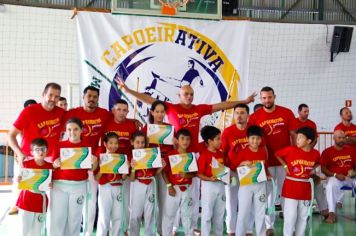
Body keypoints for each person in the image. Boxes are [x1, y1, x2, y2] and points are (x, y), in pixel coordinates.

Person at [117, 79, 255, 231]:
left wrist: (243, 101)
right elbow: (149, 99)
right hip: (170, 157)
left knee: (191, 194)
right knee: (171, 194)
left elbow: (220, 105)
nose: (189, 96)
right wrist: (127, 90)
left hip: (192, 156)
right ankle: (171, 228)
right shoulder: (170, 108)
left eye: (191, 94)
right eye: (186, 94)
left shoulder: (199, 109)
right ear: (179, 95)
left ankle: (192, 226)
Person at [63, 85, 111, 235]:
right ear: (83, 97)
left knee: (91, 204)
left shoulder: (104, 114)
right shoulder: (73, 113)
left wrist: (96, 157)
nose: (91, 99)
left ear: (98, 99)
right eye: (89, 96)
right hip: (72, 165)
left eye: (95, 97)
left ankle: (88, 232)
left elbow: (117, 120)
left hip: (92, 164)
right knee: (72, 203)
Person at [248, 86, 295, 233]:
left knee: (286, 195)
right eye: (264, 98)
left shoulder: (287, 113)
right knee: (265, 196)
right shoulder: (255, 118)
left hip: (284, 164)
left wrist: (293, 159)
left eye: (269, 97)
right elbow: (251, 141)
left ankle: (290, 227)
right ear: (261, 99)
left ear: (275, 96)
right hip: (265, 164)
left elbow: (293, 136)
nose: (267, 100)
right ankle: (269, 226)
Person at [49, 118, 98, 236]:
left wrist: (95, 162)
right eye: (69, 130)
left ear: (81, 130)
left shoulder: (86, 147)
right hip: (59, 187)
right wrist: (55, 164)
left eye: (75, 129)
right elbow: (51, 166)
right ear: (66, 131)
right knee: (58, 219)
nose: (72, 132)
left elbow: (91, 169)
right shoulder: (59, 145)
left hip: (79, 187)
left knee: (74, 220)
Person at [276, 127, 320, 236]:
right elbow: (277, 154)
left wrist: (312, 170)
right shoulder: (291, 150)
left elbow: (318, 162)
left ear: (309, 141)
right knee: (290, 217)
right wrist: (285, 166)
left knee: (303, 217)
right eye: (297, 137)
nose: (297, 140)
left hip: (305, 190)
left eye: (300, 137)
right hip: (291, 188)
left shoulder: (315, 153)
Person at [8, 82, 65, 166]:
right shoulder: (29, 111)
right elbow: (10, 135)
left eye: (56, 97)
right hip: (28, 158)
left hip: (51, 160)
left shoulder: (61, 113)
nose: (53, 99)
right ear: (43, 94)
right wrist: (19, 153)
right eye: (50, 95)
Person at [230, 126, 270, 236]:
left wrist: (268, 175)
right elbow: (234, 168)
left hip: (260, 185)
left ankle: (261, 234)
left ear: (261, 140)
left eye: (257, 138)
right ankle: (239, 233)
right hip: (245, 186)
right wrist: (242, 164)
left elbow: (265, 168)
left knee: (260, 213)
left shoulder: (263, 152)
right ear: (247, 139)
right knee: (243, 213)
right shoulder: (242, 153)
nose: (255, 141)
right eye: (252, 138)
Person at [142, 100, 174, 234]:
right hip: (149, 170)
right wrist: (147, 143)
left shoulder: (169, 129)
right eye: (157, 112)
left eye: (162, 112)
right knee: (150, 204)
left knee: (164, 202)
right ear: (152, 112)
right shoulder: (146, 129)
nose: (160, 114)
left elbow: (173, 149)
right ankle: (150, 230)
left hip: (165, 169)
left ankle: (162, 231)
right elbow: (139, 149)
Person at [221, 103, 251, 235]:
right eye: (237, 113)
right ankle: (231, 230)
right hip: (232, 172)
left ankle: (248, 229)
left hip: (249, 172)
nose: (239, 116)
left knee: (248, 202)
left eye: (242, 113)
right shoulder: (228, 132)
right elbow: (222, 153)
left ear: (248, 116)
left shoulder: (253, 130)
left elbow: (262, 150)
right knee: (231, 201)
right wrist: (226, 172)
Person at [129, 131, 164, 236]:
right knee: (135, 214)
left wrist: (161, 167)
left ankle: (150, 234)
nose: (140, 145)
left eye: (142, 142)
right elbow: (131, 178)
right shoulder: (130, 157)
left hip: (150, 184)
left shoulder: (151, 155)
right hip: (137, 184)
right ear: (132, 143)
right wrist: (133, 169)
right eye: (137, 142)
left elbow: (155, 173)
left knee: (150, 213)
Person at [162, 129, 196, 236]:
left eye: (187, 139)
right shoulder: (170, 155)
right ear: (176, 140)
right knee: (169, 215)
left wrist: (187, 175)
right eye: (182, 138)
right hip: (173, 188)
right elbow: (164, 172)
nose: (185, 141)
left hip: (187, 188)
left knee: (187, 216)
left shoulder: (191, 156)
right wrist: (169, 186)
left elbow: (195, 174)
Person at [16, 138, 53, 236]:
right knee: (23, 230)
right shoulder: (26, 165)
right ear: (32, 152)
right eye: (37, 150)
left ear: (47, 151)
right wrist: (18, 180)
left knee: (37, 232)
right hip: (26, 201)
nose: (40, 152)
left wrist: (51, 184)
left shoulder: (50, 167)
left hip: (40, 203)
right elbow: (20, 182)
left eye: (43, 149)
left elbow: (52, 184)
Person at [95, 132, 128, 236]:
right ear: (105, 144)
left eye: (116, 143)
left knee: (118, 216)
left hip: (118, 187)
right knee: (104, 217)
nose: (114, 146)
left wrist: (125, 170)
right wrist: (103, 168)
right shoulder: (100, 158)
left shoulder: (121, 158)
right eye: (111, 143)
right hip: (105, 187)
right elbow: (96, 178)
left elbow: (123, 178)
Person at [9, 99, 38, 216]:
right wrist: (18, 154)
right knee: (18, 180)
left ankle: (32, 204)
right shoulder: (21, 118)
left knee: (34, 181)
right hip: (22, 156)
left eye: (33, 107)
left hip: (36, 156)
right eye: (29, 108)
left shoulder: (39, 120)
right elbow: (14, 138)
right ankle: (15, 205)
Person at [321, 130, 356, 224]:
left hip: (350, 178)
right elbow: (323, 169)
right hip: (335, 178)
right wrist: (335, 174)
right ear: (334, 138)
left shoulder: (351, 150)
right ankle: (331, 213)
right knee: (330, 186)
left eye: (344, 138)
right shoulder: (327, 152)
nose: (342, 139)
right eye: (339, 137)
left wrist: (353, 173)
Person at [197, 126, 226, 236]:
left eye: (220, 138)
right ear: (209, 141)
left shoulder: (220, 154)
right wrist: (209, 178)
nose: (220, 141)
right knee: (207, 214)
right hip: (208, 186)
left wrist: (227, 178)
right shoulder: (204, 155)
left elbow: (224, 169)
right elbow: (199, 174)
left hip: (221, 186)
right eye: (218, 139)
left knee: (220, 214)